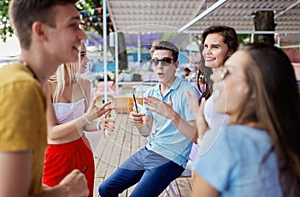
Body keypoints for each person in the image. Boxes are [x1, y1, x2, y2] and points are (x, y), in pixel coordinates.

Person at [0, 0, 90, 196]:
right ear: (40, 31)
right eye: (73, 25)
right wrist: (65, 191)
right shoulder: (21, 89)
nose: (81, 35)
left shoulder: (26, 83)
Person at [191, 44, 300, 197]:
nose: (213, 76)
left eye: (227, 72)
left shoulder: (226, 140)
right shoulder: (286, 143)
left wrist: (205, 139)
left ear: (256, 88)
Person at [98, 40, 199, 197]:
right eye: (155, 61)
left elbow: (195, 136)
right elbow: (146, 132)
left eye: (166, 61)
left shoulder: (188, 92)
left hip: (171, 158)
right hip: (149, 150)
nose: (160, 66)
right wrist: (138, 123)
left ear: (176, 64)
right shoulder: (150, 93)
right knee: (105, 189)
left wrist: (172, 115)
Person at [43, 42, 115, 197]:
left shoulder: (85, 84)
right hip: (56, 156)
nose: (87, 60)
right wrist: (86, 118)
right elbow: (52, 133)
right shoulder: (45, 87)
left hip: (82, 151)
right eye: (82, 55)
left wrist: (98, 125)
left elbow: (85, 124)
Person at [187, 25, 239, 154]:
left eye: (215, 47)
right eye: (206, 46)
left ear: (230, 51)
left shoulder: (233, 86)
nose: (207, 51)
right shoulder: (214, 84)